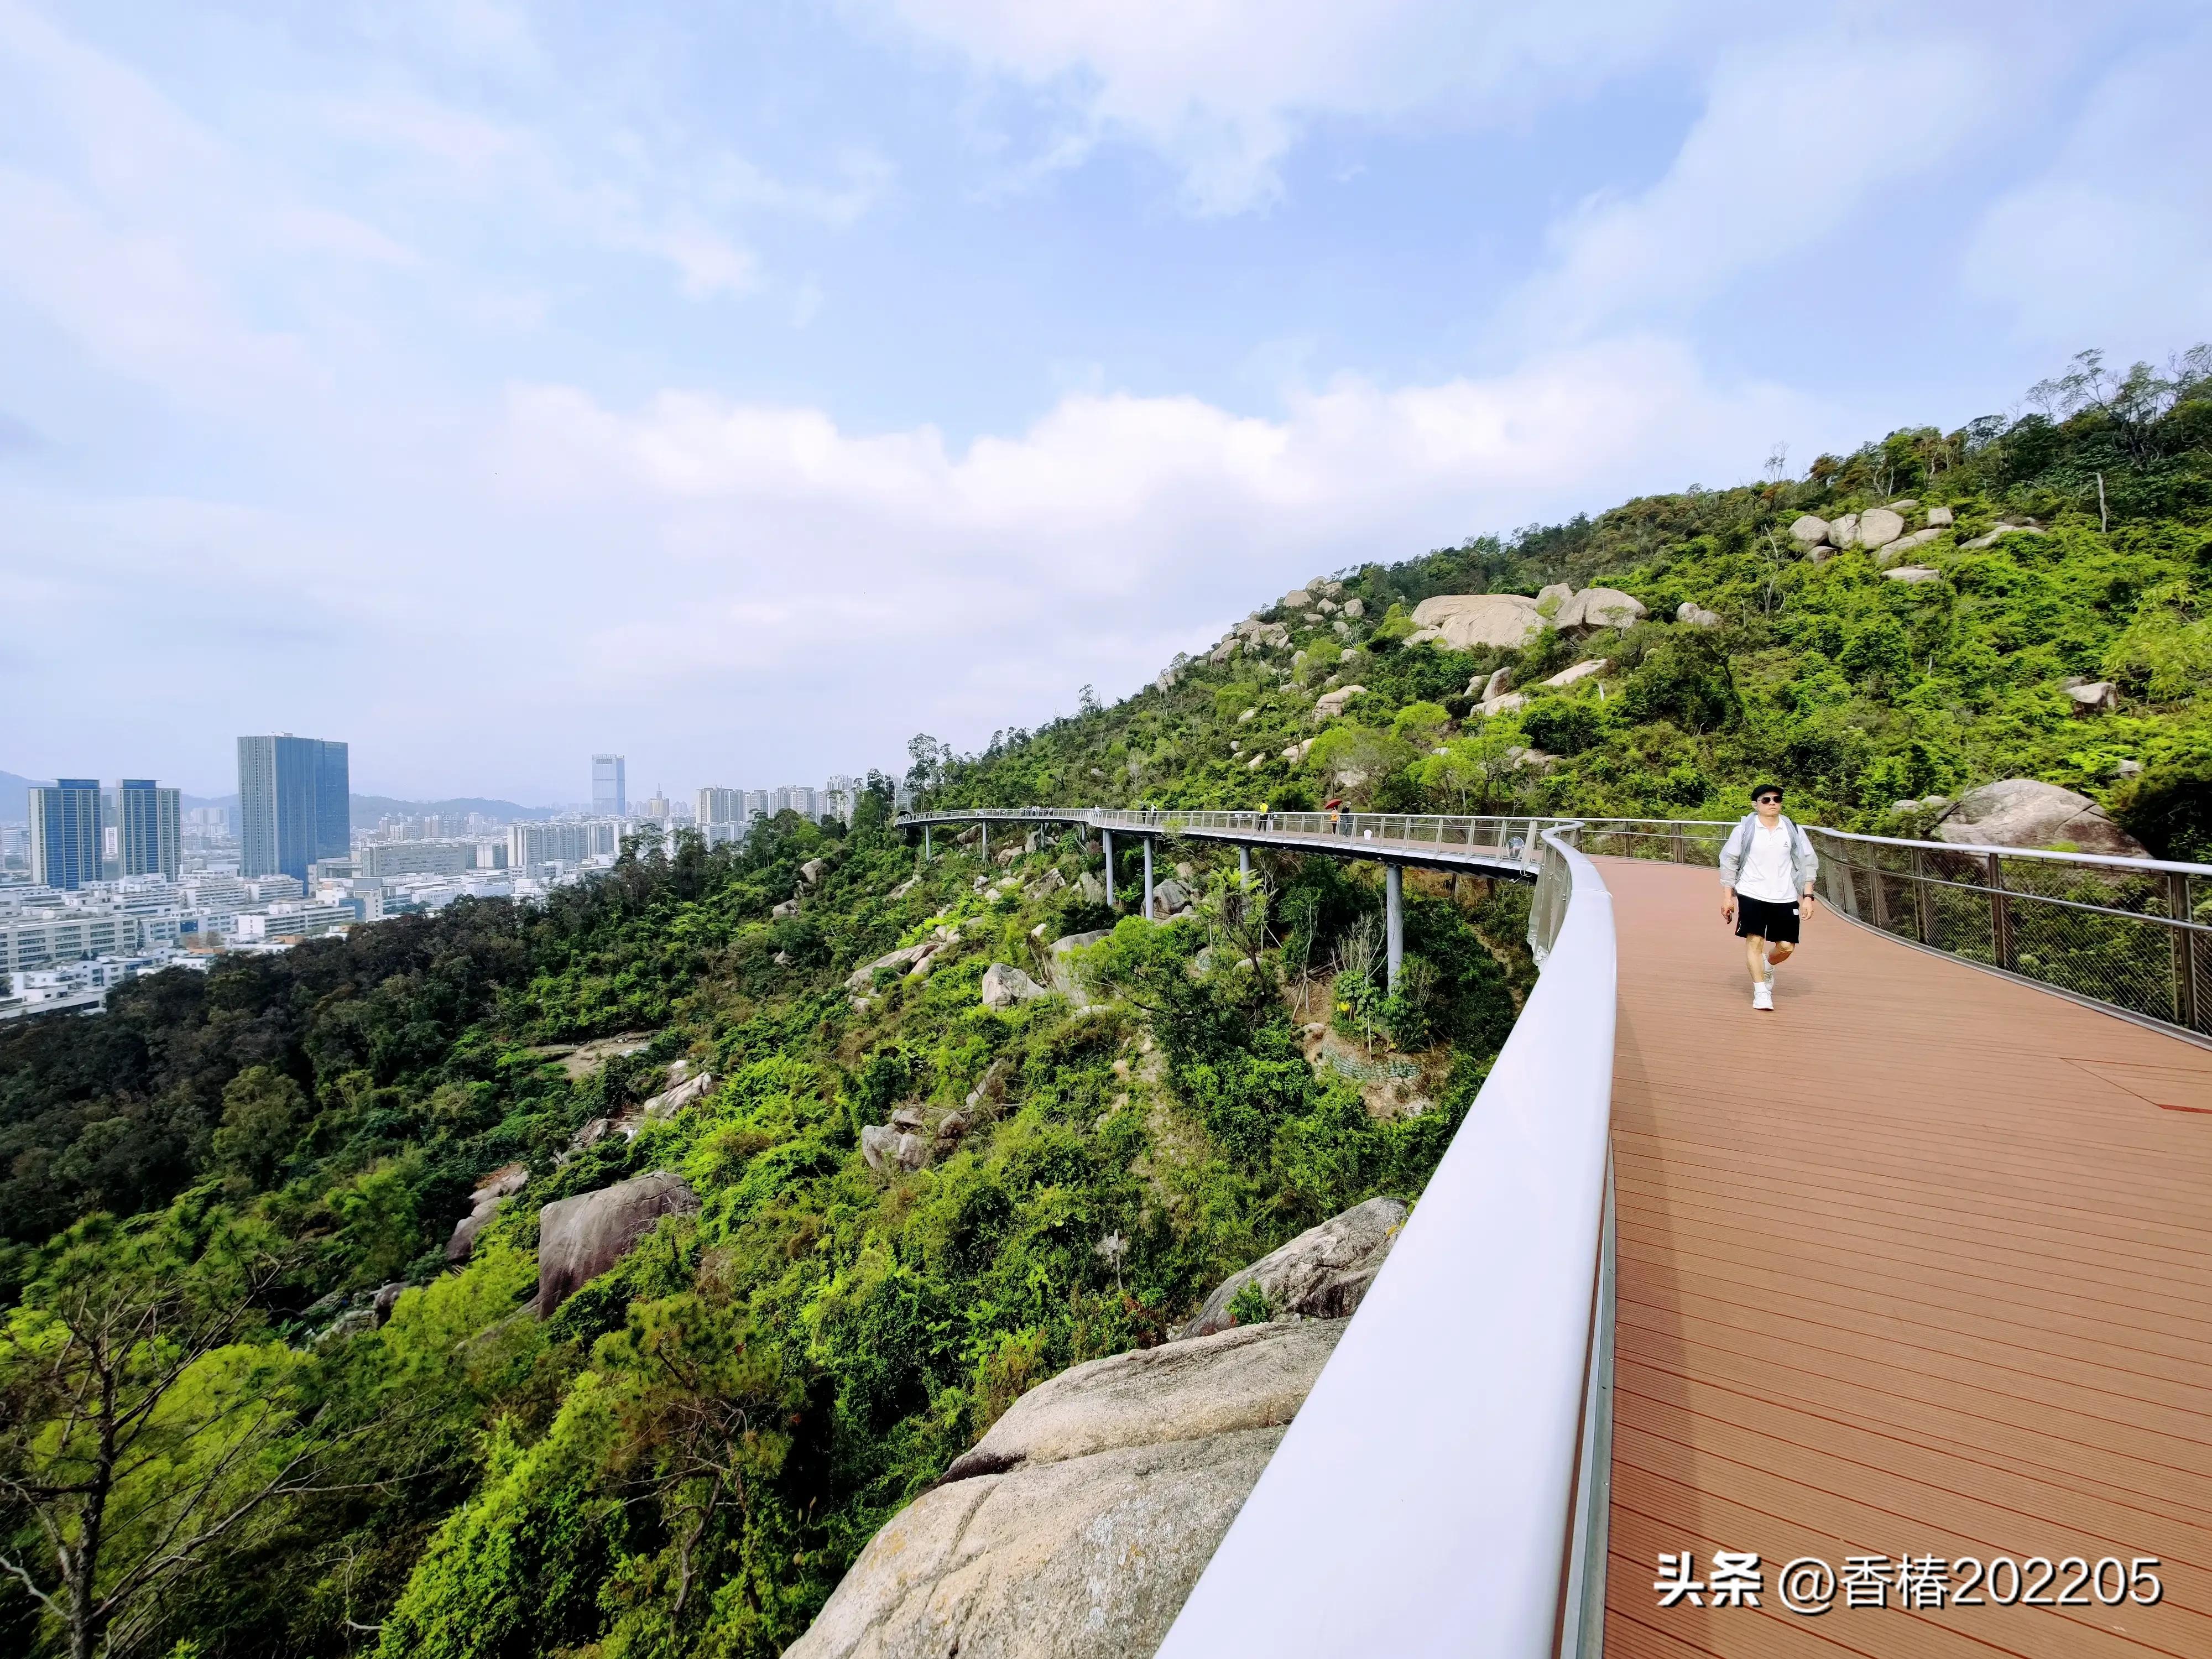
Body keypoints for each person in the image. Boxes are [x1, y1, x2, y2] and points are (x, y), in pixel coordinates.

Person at [1718, 783, 1819, 1010]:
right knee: (1755, 941)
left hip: (1785, 896)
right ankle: (1761, 991)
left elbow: (1808, 862)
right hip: (1751, 892)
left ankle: (1768, 964)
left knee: (1786, 947)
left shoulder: (1792, 829)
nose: (1773, 803)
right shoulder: (1745, 830)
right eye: (1766, 800)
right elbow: (1729, 862)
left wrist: (1808, 896)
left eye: (1777, 799)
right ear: (1755, 804)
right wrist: (1728, 897)